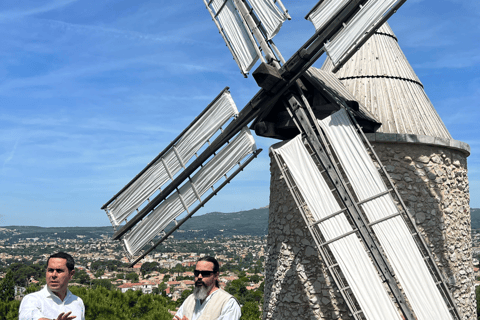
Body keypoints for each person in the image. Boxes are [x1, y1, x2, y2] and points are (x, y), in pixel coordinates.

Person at [19, 252, 85, 320]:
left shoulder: (78, 302)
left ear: (71, 274)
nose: (53, 275)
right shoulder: (32, 300)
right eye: (50, 270)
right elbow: (29, 317)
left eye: (59, 271)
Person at [174, 256, 241, 320]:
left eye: (205, 273)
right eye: (197, 273)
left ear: (216, 276)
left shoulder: (228, 303)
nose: (199, 276)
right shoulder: (190, 300)